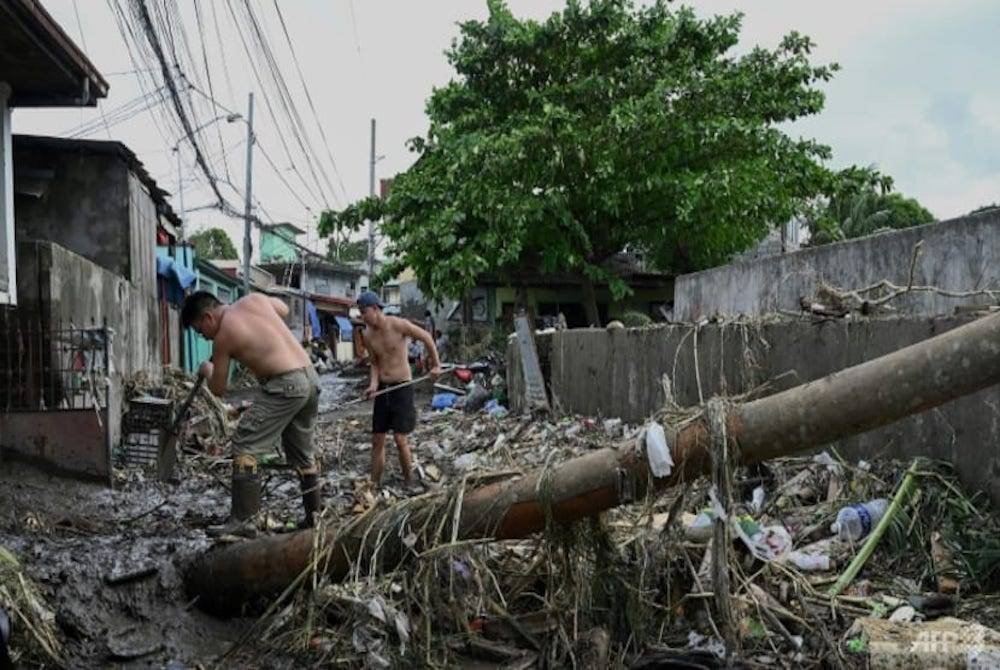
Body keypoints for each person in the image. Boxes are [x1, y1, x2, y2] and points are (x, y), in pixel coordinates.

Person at [181, 291, 322, 532]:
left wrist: (207, 369)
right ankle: (314, 520)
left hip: (285, 384)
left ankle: (243, 522)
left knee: (245, 444)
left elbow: (218, 388)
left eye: (199, 330)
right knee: (302, 455)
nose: (202, 337)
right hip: (309, 377)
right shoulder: (253, 300)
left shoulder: (223, 336)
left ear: (208, 317)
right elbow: (283, 308)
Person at [358, 291, 442, 489]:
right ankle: (374, 484)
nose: (363, 316)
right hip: (383, 390)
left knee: (400, 438)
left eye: (364, 312)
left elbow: (426, 338)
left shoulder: (398, 325)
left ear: (375, 309)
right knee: (377, 439)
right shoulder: (368, 335)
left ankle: (409, 481)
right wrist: (373, 385)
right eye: (360, 313)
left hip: (402, 387)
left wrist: (436, 364)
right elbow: (375, 364)